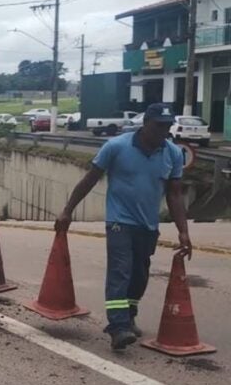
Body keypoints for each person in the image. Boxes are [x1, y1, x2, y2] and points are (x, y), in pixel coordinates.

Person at [55, 103, 192, 352]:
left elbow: (174, 195)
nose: (164, 130)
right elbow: (90, 179)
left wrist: (183, 231)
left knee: (140, 274)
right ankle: (118, 328)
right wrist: (68, 210)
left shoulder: (172, 153)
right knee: (120, 271)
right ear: (145, 124)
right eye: (159, 125)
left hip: (148, 225)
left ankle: (129, 315)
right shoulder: (116, 147)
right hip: (119, 221)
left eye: (167, 125)